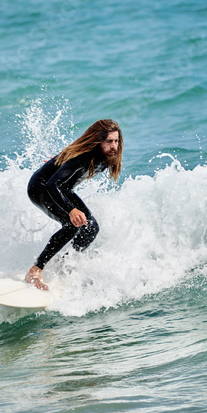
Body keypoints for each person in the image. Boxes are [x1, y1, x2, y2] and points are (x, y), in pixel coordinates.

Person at [25, 119, 124, 290]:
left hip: (62, 188)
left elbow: (64, 168)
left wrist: (56, 163)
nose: (114, 146)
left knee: (91, 227)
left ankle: (61, 263)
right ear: (98, 141)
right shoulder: (82, 157)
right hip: (41, 188)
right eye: (109, 141)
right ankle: (35, 270)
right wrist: (71, 209)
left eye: (116, 141)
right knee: (72, 224)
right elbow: (51, 184)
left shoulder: (106, 156)